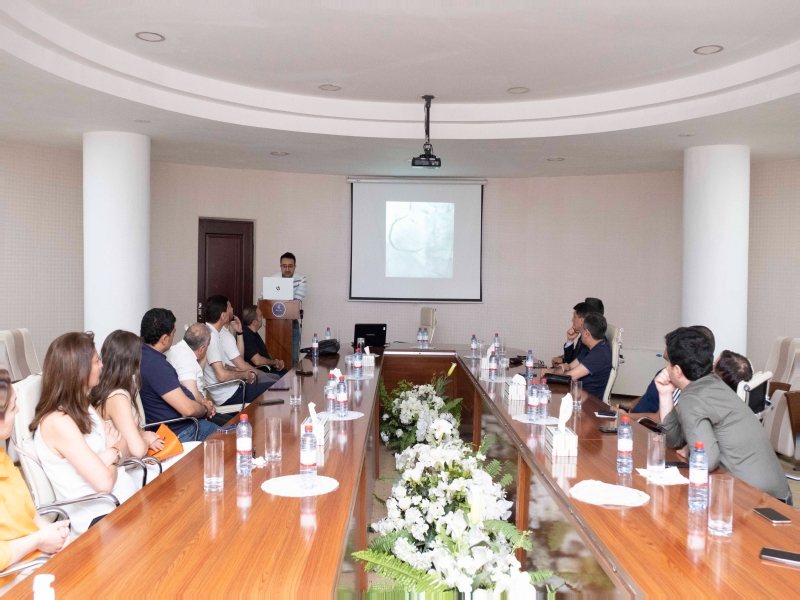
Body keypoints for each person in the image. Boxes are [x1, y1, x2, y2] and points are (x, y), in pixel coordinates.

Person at [656, 327, 790, 503]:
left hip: (762, 503)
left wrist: (691, 452)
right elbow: (673, 440)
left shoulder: (692, 398)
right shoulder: (715, 383)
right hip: (778, 495)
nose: (666, 368)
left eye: (668, 363)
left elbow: (707, 461)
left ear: (678, 370)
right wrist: (665, 394)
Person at [30, 332, 139, 535]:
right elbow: (104, 483)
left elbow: (124, 443)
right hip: (100, 520)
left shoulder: (83, 406)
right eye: (97, 361)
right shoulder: (58, 422)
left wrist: (110, 453)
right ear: (79, 371)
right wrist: (115, 453)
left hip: (122, 504)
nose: (102, 366)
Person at [0, 369, 71, 585]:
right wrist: (40, 539)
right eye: (13, 408)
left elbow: (29, 512)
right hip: (11, 575)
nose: (19, 410)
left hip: (31, 558)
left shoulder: (2, 458)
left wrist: (51, 535)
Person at [139, 309, 219, 443]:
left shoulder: (142, 355)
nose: (174, 337)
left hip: (174, 426)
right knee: (232, 438)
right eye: (173, 333)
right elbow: (187, 409)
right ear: (165, 339)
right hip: (181, 431)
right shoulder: (156, 365)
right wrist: (205, 409)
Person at [90, 330, 165, 458]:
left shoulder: (107, 388)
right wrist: (146, 440)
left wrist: (144, 436)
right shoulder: (117, 397)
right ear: (133, 361)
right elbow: (138, 450)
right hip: (128, 467)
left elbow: (131, 431)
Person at [203, 296, 272, 409]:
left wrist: (239, 372)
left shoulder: (215, 333)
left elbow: (222, 366)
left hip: (236, 388)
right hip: (230, 396)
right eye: (229, 307)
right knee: (276, 389)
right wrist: (244, 374)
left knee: (277, 387)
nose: (232, 309)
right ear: (223, 316)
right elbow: (221, 375)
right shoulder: (211, 337)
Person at [631, 325, 715, 414]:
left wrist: (626, 417)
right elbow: (649, 396)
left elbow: (661, 420)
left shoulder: (682, 382)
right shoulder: (666, 373)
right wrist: (629, 405)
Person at [542, 313, 612, 400]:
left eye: (581, 331)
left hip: (588, 403)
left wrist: (550, 374)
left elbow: (571, 376)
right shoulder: (590, 348)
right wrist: (552, 370)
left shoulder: (599, 354)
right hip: (577, 394)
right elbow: (570, 366)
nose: (580, 334)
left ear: (586, 333)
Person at [271, 252, 306, 366]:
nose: (287, 269)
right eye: (284, 266)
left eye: (290, 266)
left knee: (293, 360)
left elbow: (295, 303)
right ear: (280, 266)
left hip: (292, 324)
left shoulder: (301, 279)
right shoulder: (273, 279)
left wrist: (279, 298)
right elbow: (262, 299)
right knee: (275, 360)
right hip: (274, 325)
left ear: (295, 266)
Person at [167, 324, 211, 403]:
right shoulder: (185, 359)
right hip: (196, 409)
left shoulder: (176, 349)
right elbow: (192, 395)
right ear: (201, 349)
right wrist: (206, 403)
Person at [240, 305, 286, 378]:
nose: (262, 318)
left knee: (292, 375)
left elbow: (264, 354)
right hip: (263, 372)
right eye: (261, 316)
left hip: (270, 369)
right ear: (254, 322)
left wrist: (276, 362)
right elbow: (257, 361)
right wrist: (275, 362)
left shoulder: (253, 332)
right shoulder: (246, 335)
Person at [552, 301, 593, 366]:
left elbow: (576, 367)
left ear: (581, 320)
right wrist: (570, 340)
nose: (572, 320)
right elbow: (572, 360)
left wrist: (557, 370)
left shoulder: (589, 340)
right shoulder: (582, 336)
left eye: (574, 317)